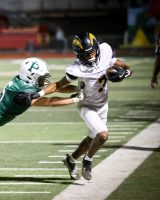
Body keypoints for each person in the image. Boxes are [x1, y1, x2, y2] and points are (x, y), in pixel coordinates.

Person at [37, 32, 132, 180]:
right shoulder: (77, 69)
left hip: (102, 104)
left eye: (93, 52)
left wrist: (126, 72)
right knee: (103, 135)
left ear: (97, 48)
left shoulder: (105, 51)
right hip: (87, 104)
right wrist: (40, 93)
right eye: (86, 54)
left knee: (91, 139)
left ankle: (71, 159)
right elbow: (58, 85)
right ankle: (87, 161)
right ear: (79, 55)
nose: (91, 56)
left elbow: (123, 65)